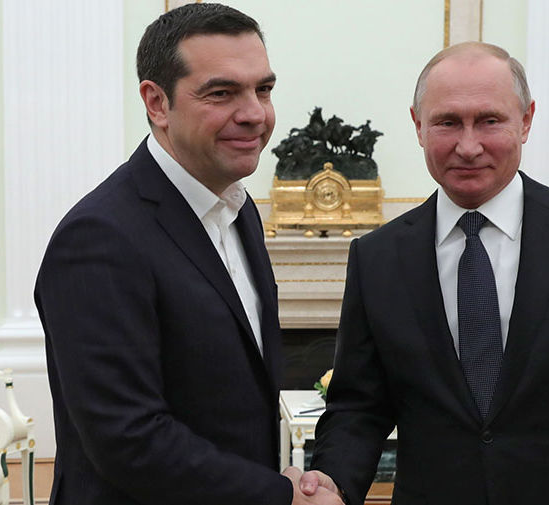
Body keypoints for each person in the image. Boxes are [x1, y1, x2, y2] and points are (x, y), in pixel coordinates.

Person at [303, 42, 549, 504]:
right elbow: (358, 407)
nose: (468, 146)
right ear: (418, 126)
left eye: (489, 120)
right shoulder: (377, 257)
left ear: (526, 120)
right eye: (447, 122)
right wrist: (331, 482)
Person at [34, 4, 341, 505]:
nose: (255, 114)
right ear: (157, 103)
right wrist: (279, 496)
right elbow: (128, 439)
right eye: (222, 93)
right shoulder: (97, 238)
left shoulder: (239, 209)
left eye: (263, 89)